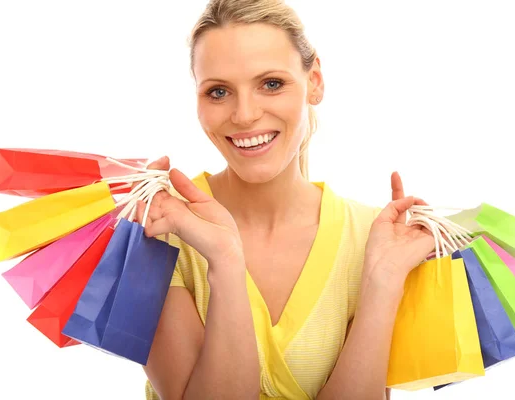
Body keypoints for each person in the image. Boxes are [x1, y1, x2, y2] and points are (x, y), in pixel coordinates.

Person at [137, 0, 434, 399]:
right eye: (218, 91)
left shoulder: (375, 239)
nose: (244, 115)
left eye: (271, 84)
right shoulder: (156, 229)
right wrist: (225, 260)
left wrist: (382, 283)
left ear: (314, 83)